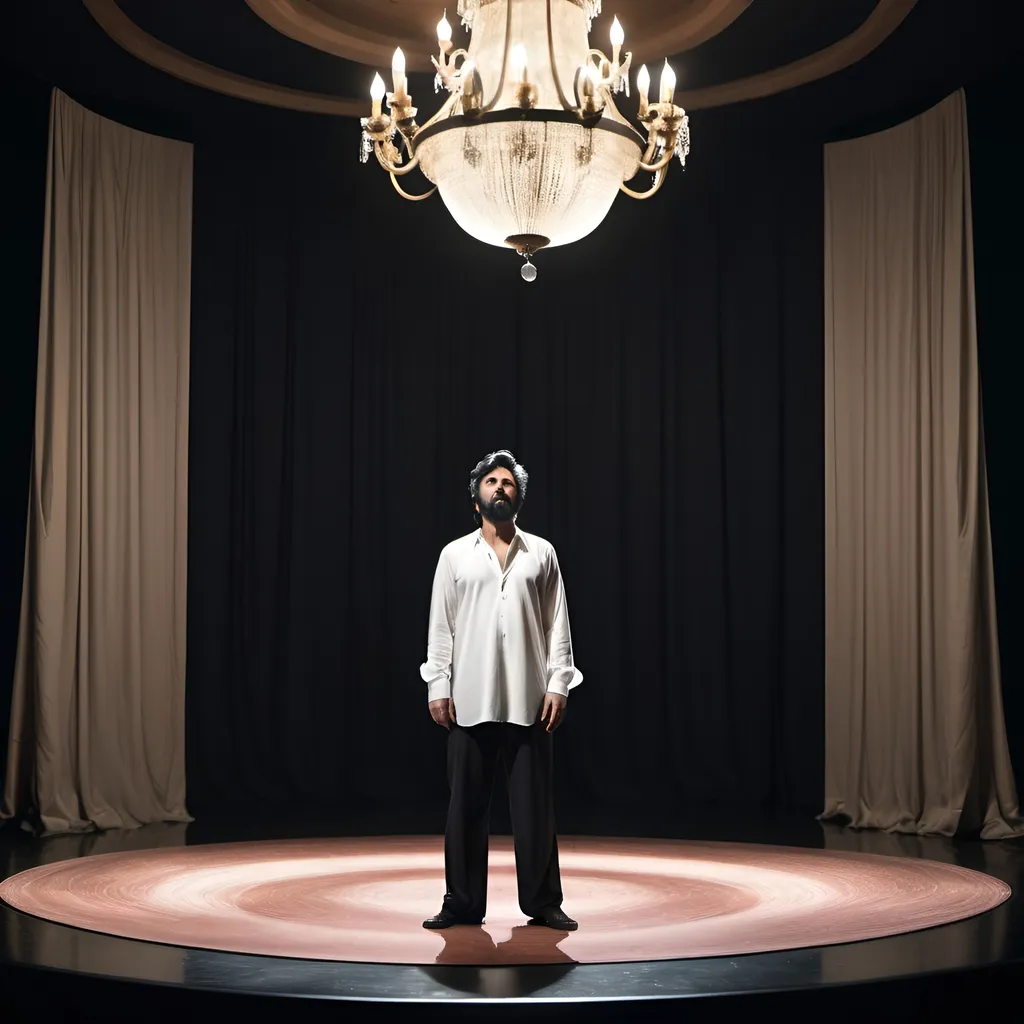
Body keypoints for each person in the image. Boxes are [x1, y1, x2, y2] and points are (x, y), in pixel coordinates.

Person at [419, 450, 582, 931]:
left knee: (534, 808)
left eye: (508, 482)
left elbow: (558, 624)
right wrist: (437, 684)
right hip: (468, 697)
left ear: (519, 497)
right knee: (465, 806)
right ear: (476, 499)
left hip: (529, 699)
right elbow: (441, 626)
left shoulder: (543, 553)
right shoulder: (453, 555)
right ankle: (462, 902)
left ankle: (544, 902)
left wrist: (559, 684)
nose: (499, 488)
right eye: (491, 481)